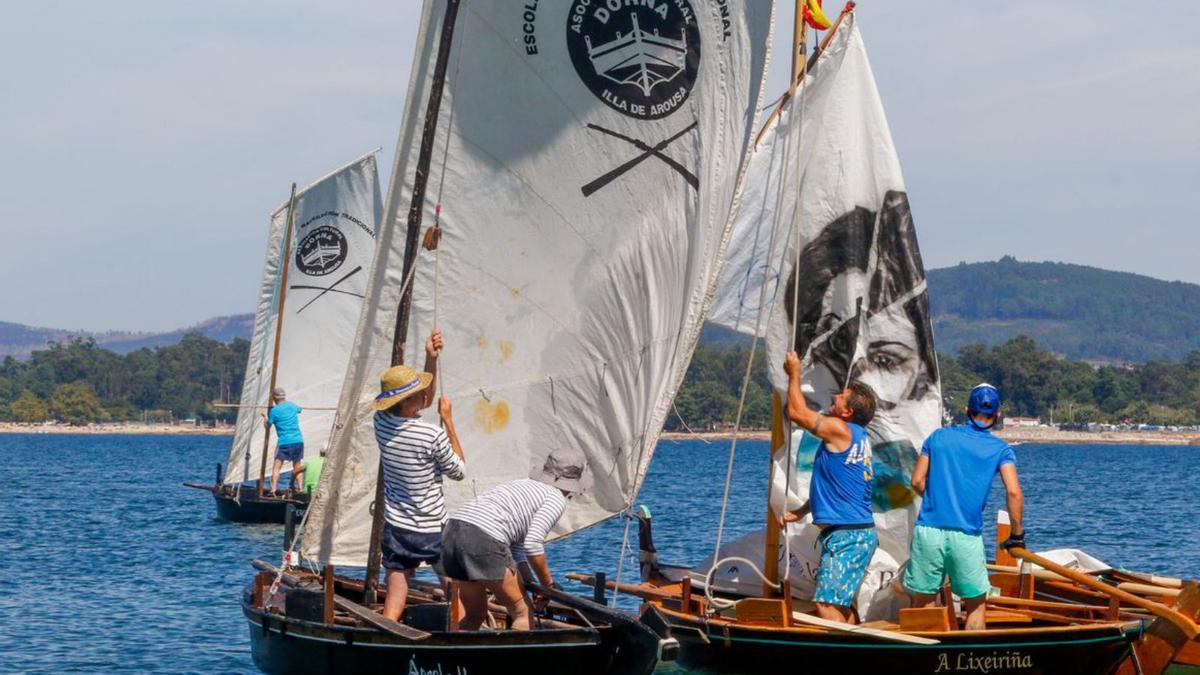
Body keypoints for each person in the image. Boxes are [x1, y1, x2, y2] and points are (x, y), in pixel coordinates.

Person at [905, 383, 1024, 630]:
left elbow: (916, 481)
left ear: (966, 409)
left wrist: (938, 497)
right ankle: (969, 658)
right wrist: (1016, 535)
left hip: (929, 531)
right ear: (997, 415)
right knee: (976, 605)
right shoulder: (1000, 449)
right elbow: (1013, 492)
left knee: (924, 601)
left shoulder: (938, 437)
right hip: (966, 534)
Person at [778, 351, 879, 624]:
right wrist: (801, 511)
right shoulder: (855, 437)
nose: (834, 397)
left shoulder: (841, 430)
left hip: (848, 537)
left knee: (825, 606)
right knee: (840, 608)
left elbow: (797, 413)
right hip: (852, 535)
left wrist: (794, 372)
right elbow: (836, 485)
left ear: (847, 412)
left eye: (840, 396)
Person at [440, 449, 592, 631]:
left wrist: (532, 583)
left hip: (451, 534)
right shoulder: (555, 498)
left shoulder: (521, 485)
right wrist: (548, 585)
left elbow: (517, 549)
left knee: (475, 615)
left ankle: (458, 655)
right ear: (572, 484)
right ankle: (513, 659)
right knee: (522, 613)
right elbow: (533, 544)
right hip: (482, 539)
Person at [373, 329, 466, 623]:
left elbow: (422, 401)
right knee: (453, 592)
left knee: (395, 595)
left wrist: (430, 359)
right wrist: (449, 422)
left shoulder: (381, 422)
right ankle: (465, 635)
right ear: (409, 400)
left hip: (398, 526)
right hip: (432, 527)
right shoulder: (431, 434)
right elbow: (459, 471)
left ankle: (387, 635)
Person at [264, 387, 303, 497]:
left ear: (274, 398)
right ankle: (300, 488)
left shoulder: (274, 411)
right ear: (284, 397)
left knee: (277, 466)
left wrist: (265, 416)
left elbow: (267, 426)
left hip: (285, 442)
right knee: (297, 465)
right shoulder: (291, 405)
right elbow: (300, 410)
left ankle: (273, 489)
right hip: (298, 440)